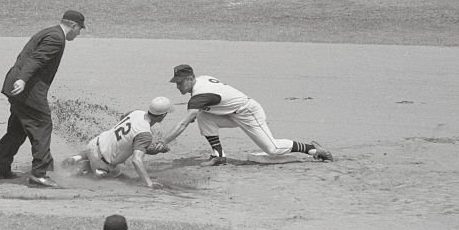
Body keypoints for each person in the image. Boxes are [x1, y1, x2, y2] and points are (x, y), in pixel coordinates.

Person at [161, 64, 333, 165]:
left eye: (180, 82)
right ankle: (219, 156)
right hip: (231, 113)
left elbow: (184, 123)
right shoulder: (203, 80)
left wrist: (163, 142)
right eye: (176, 82)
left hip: (248, 113)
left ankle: (311, 149)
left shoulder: (200, 94)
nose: (178, 86)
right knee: (203, 117)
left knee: (272, 149)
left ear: (191, 78)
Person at [0, 10, 85, 188]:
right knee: (42, 125)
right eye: (79, 29)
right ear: (73, 25)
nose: (79, 33)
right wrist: (23, 79)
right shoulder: (57, 38)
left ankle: (1, 168)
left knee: (17, 129)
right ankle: (39, 174)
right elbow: (37, 59)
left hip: (17, 86)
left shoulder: (49, 31)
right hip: (27, 89)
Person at [62, 97, 172, 189]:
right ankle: (84, 170)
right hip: (103, 162)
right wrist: (150, 183)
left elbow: (128, 137)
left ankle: (77, 158)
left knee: (93, 152)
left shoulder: (136, 112)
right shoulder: (145, 134)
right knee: (126, 180)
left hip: (95, 143)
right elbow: (136, 160)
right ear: (163, 116)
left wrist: (154, 149)